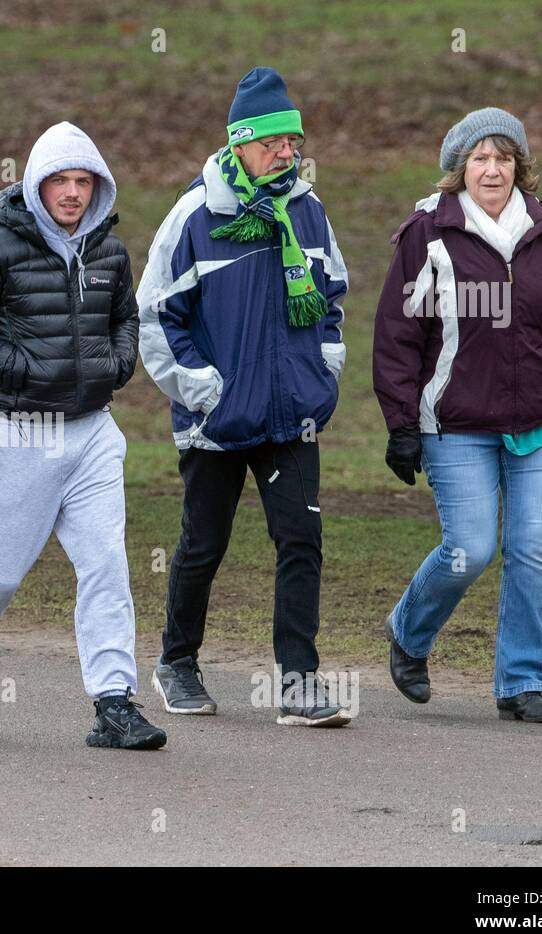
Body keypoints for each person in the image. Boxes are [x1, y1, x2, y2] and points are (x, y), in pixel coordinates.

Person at [373, 107, 542, 722]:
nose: (493, 169)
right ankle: (408, 630)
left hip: (539, 419)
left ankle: (520, 682)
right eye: (480, 158)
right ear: (459, 169)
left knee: (532, 549)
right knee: (471, 549)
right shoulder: (427, 234)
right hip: (455, 420)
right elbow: (398, 335)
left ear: (519, 168)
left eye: (504, 157)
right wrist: (402, 422)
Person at [0, 121, 166, 750]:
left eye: (84, 181)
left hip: (93, 432)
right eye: (60, 180)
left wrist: (119, 363)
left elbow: (125, 318)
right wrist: (14, 368)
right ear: (35, 184)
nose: (72, 192)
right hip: (20, 431)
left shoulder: (110, 249)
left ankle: (113, 704)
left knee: (107, 566)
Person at [137, 67, 352, 727]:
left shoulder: (308, 210)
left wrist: (325, 368)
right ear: (239, 143)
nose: (288, 152)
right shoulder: (194, 216)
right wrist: (206, 390)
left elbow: (334, 297)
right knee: (205, 543)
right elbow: (154, 316)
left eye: (294, 140)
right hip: (217, 420)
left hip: (292, 415)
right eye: (273, 143)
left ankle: (299, 684)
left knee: (301, 538)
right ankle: (177, 662)